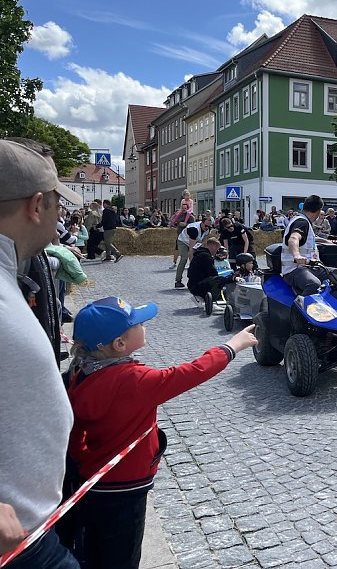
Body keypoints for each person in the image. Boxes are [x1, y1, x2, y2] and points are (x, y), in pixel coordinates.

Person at [66, 298, 255, 569]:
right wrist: (232, 346)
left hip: (93, 480)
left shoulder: (80, 372)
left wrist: (84, 461)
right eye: (138, 324)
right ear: (120, 344)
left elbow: (74, 433)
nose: (144, 325)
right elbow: (192, 372)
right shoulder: (134, 380)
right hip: (127, 486)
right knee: (123, 555)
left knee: (96, 550)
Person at [0, 137, 83, 569]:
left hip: (32, 525)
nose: (61, 213)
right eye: (57, 202)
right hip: (18, 544)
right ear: (36, 206)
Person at [280, 195, 328, 296]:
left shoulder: (301, 220)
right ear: (319, 211)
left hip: (309, 267)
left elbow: (309, 239)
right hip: (294, 270)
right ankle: (299, 310)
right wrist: (297, 255)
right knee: (313, 284)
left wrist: (328, 242)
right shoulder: (302, 222)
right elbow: (293, 238)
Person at [174, 216, 212, 288]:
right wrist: (192, 262)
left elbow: (204, 241)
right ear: (202, 223)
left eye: (209, 226)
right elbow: (191, 249)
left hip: (196, 241)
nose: (207, 228)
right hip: (183, 242)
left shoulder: (207, 228)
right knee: (184, 259)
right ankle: (178, 281)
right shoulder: (194, 229)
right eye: (206, 226)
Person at [168, 203, 194, 269]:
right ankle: (174, 263)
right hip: (179, 235)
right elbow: (174, 221)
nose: (183, 209)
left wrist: (185, 224)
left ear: (187, 209)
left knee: (189, 250)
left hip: (188, 236)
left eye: (185, 208)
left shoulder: (190, 216)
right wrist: (172, 225)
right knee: (176, 249)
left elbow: (193, 225)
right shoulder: (178, 215)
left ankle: (190, 263)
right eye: (182, 208)